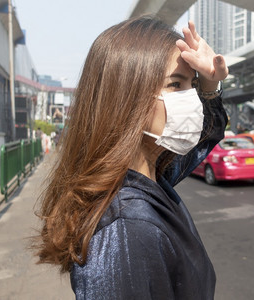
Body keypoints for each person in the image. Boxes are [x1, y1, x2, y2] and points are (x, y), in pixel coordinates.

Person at [34, 16, 228, 299]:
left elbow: (206, 135)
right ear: (128, 98)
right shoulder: (125, 229)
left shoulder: (149, 176)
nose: (192, 99)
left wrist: (210, 86)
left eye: (192, 85)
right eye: (176, 85)